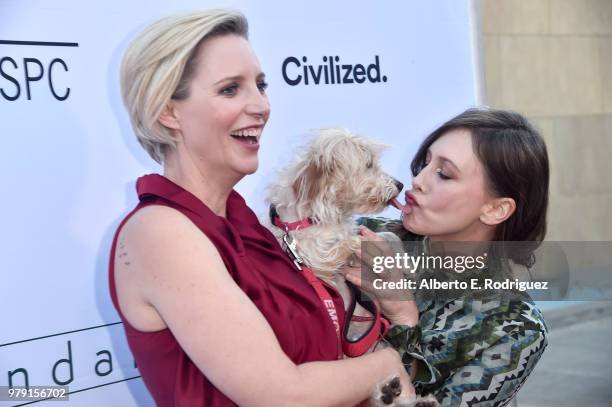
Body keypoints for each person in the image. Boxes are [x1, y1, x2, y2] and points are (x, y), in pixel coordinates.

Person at [109, 9, 415, 406]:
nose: (261, 106)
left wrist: (399, 316)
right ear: (169, 112)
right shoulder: (161, 233)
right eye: (230, 89)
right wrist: (386, 363)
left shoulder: (247, 225)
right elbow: (283, 396)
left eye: (261, 85)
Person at [346, 108, 550, 406]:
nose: (418, 180)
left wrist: (403, 317)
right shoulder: (366, 238)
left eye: (444, 174)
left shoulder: (516, 328)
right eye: (425, 163)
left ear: (496, 209)